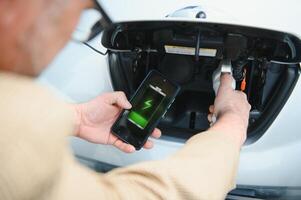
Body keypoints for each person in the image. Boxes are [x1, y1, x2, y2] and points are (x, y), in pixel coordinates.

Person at [0, 0, 251, 199]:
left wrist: (76, 118)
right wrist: (232, 123)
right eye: (83, 21)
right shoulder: (20, 139)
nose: (67, 36)